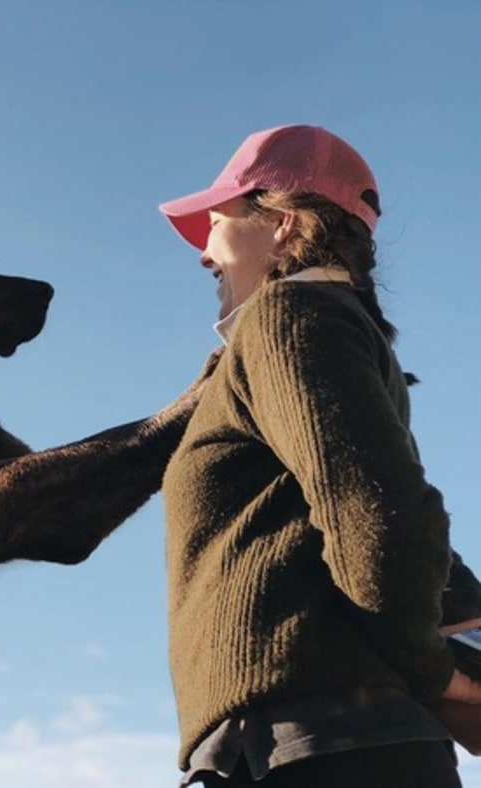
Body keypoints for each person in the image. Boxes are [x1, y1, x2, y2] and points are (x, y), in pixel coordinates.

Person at [157, 124, 481, 787]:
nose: (203, 253)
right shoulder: (317, 328)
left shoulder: (293, 314)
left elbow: (378, 515)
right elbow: (387, 510)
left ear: (283, 224)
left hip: (316, 747)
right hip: (309, 743)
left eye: (218, 220)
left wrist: (439, 671)